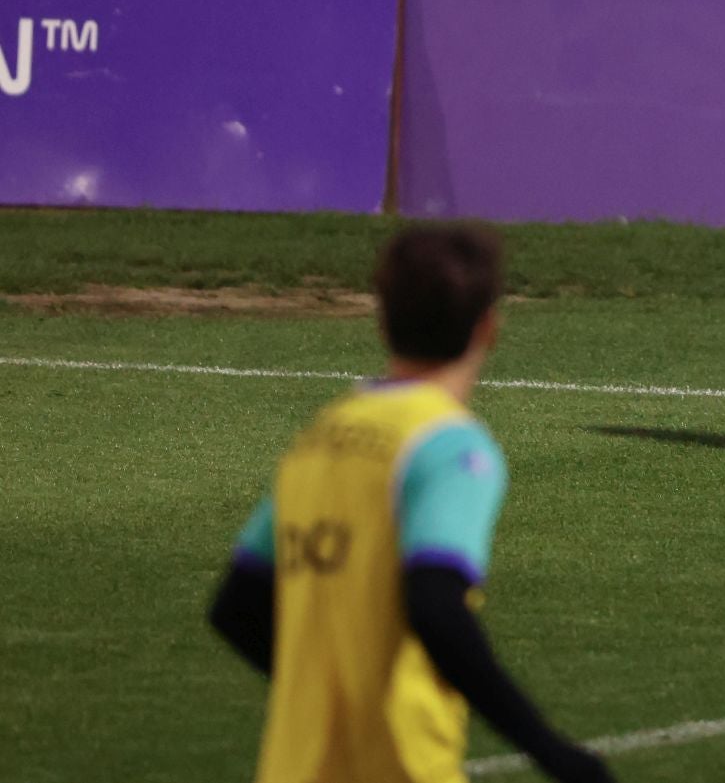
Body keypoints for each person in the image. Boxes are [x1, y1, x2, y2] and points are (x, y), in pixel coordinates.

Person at [207, 224, 614, 782]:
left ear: (383, 321)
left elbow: (236, 608)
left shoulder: (322, 437)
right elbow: (436, 606)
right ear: (488, 328)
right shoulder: (449, 447)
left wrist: (335, 693)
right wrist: (551, 750)